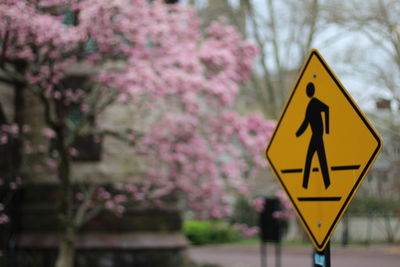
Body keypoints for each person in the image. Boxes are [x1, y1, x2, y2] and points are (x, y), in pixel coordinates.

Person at [296, 82, 330, 189]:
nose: (307, 92)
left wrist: (327, 129)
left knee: (316, 160)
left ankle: (323, 184)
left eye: (308, 90)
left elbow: (327, 108)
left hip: (318, 136)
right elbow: (306, 122)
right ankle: (310, 184)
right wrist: (298, 133)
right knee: (315, 160)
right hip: (315, 136)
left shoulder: (314, 102)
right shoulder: (310, 105)